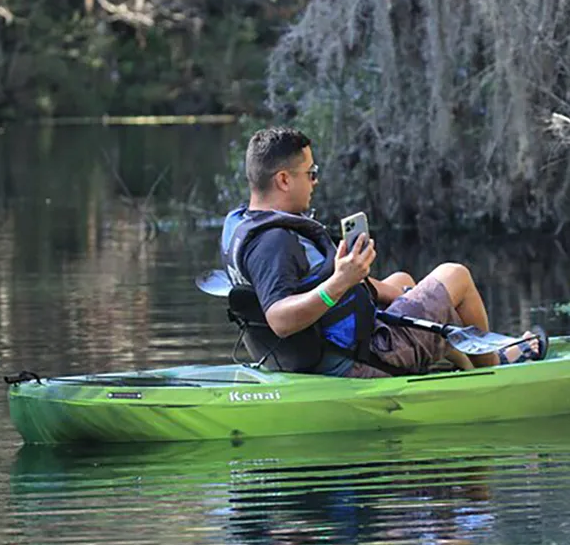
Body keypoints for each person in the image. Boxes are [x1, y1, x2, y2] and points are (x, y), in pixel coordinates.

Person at [219, 126, 547, 377]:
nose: (315, 181)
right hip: (355, 359)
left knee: (402, 280)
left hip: (319, 349)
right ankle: (494, 369)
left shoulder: (246, 225)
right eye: (311, 173)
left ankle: (464, 361)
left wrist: (389, 289)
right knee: (455, 275)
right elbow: (279, 320)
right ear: (283, 180)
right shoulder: (274, 242)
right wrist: (341, 281)